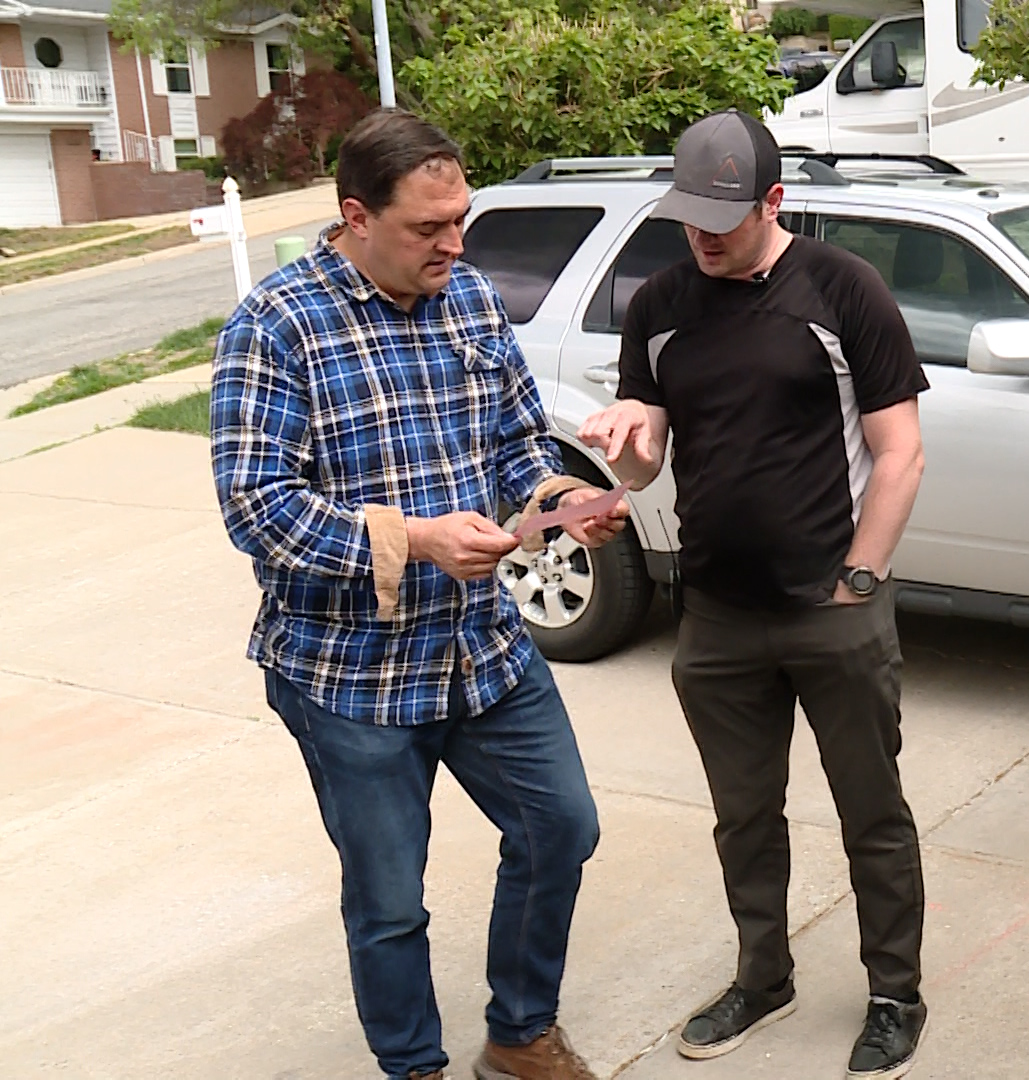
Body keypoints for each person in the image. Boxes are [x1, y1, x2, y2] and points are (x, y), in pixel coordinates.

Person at [210, 108, 629, 1080]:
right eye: (428, 227)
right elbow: (257, 509)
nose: (455, 244)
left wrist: (558, 501)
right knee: (391, 899)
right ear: (355, 217)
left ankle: (519, 1035)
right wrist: (416, 540)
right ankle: (415, 1067)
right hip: (349, 677)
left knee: (561, 828)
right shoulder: (275, 326)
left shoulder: (470, 299)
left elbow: (515, 441)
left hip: (482, 650)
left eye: (461, 219)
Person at [577, 108, 931, 1079]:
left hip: (832, 609)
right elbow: (649, 461)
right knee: (743, 817)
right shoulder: (659, 303)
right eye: (687, 217)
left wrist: (860, 578)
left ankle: (894, 994)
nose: (701, 236)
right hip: (718, 618)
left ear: (773, 202)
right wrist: (624, 444)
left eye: (720, 219)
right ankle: (763, 977)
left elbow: (901, 454)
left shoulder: (842, 288)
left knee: (872, 814)